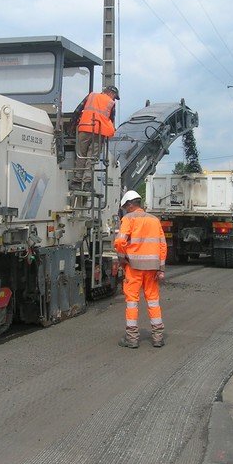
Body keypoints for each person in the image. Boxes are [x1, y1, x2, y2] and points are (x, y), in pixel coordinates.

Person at [113, 190, 167, 348]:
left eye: (125, 207)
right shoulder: (154, 220)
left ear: (130, 205)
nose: (125, 210)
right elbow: (162, 245)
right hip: (152, 268)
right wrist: (161, 268)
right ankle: (158, 337)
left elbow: (120, 242)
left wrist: (122, 258)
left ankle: (132, 338)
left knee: (132, 302)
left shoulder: (128, 219)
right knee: (153, 301)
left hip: (134, 267)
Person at [69, 85, 118, 190]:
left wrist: (72, 127)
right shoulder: (111, 103)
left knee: (81, 155)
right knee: (91, 158)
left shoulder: (91, 96)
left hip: (84, 128)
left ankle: (76, 182)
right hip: (98, 132)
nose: (114, 99)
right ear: (111, 93)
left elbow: (77, 111)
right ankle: (87, 184)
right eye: (114, 96)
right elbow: (111, 120)